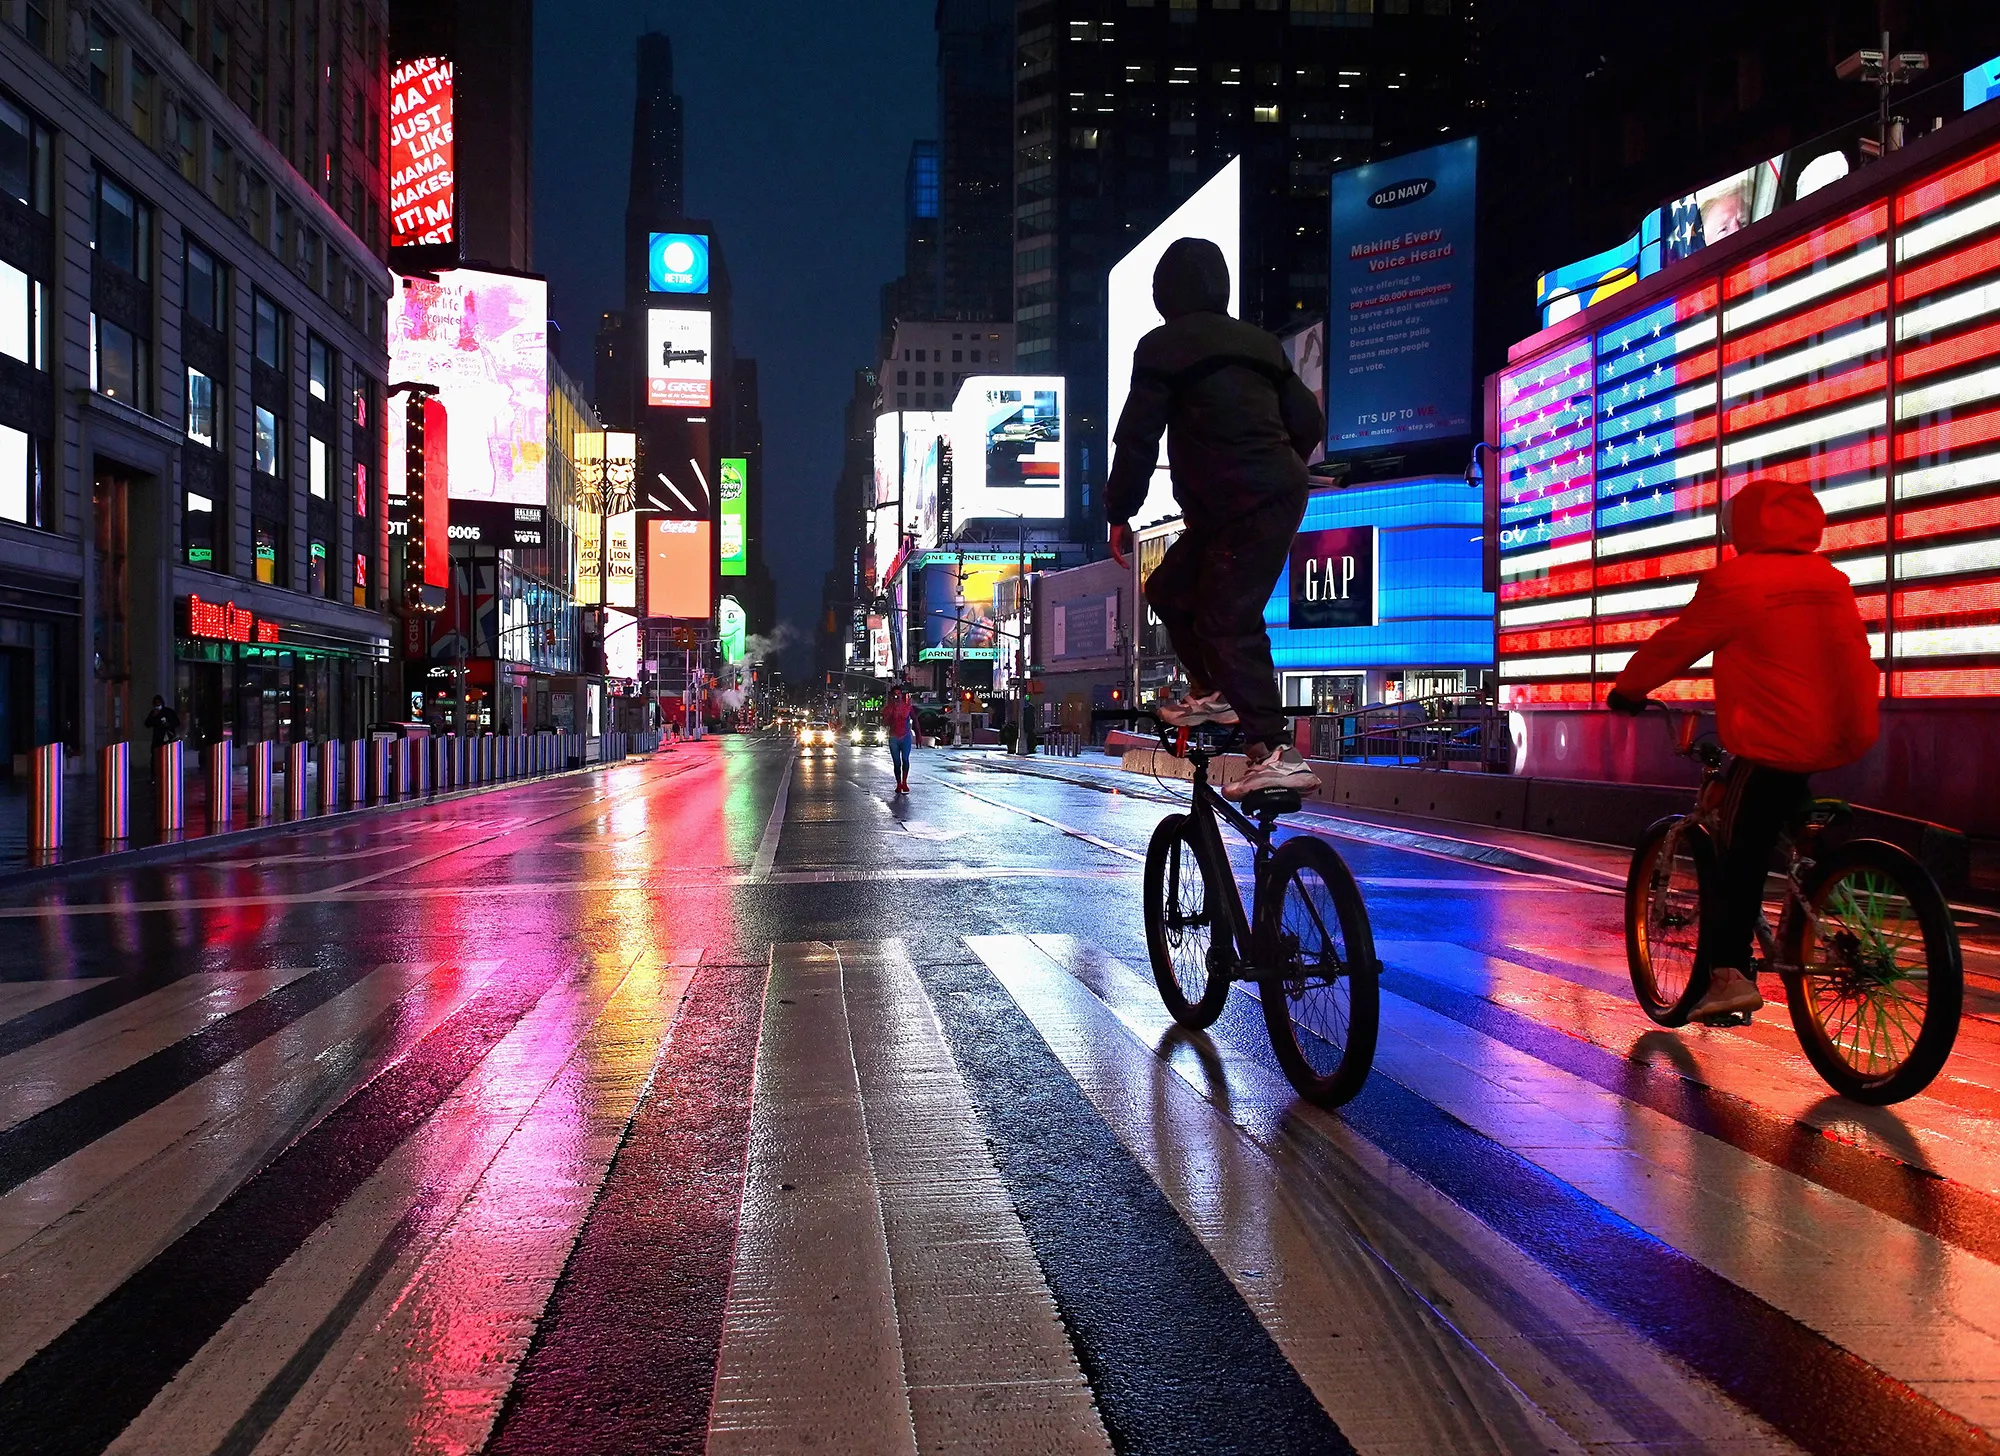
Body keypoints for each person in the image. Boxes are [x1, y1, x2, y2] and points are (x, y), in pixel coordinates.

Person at [1608, 476, 1879, 1020]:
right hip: (1846, 731)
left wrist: (1628, 690)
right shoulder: (1831, 579)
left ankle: (1728, 974)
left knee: (1738, 851)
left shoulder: (1736, 581)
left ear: (1740, 526)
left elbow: (1677, 643)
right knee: (1782, 813)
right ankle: (1816, 892)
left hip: (1776, 740)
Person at [1106, 236, 1325, 801]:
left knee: (1229, 619)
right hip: (1249, 498)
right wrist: (1277, 464)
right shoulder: (1261, 345)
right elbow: (1307, 421)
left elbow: (1136, 437)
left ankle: (1276, 752)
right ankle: (1213, 692)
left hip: (1243, 503)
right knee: (1171, 589)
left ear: (1164, 294)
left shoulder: (1162, 347)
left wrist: (1120, 512)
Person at [883, 682, 915, 794]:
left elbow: (915, 720)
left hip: (905, 736)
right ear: (892, 696)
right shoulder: (888, 709)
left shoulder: (907, 707)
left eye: (899, 694)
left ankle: (904, 782)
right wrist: (890, 715)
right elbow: (884, 722)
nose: (897, 696)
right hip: (893, 737)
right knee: (897, 762)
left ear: (901, 695)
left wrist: (919, 736)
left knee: (905, 759)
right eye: (895, 694)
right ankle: (898, 783)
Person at [143, 694, 181, 783]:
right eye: (155, 704)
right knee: (155, 758)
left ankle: (169, 775)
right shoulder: (153, 713)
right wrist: (153, 716)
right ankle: (154, 777)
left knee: (168, 757)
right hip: (157, 739)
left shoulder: (168, 712)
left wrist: (169, 724)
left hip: (168, 738)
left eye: (159, 703)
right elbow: (147, 724)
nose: (157, 705)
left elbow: (177, 722)